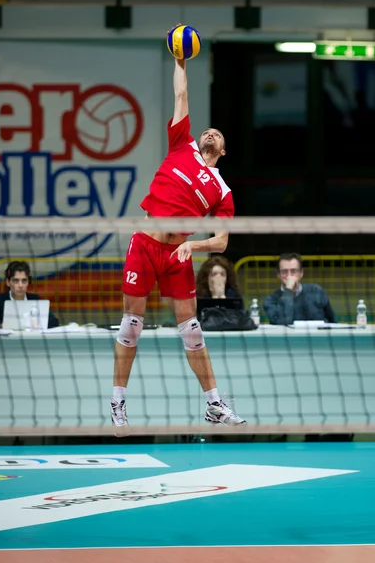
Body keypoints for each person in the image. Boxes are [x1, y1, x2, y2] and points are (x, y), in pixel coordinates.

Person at [110, 49, 246, 429]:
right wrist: (181, 61)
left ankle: (214, 405)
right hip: (145, 244)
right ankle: (118, 402)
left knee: (192, 330)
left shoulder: (221, 189)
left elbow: (220, 241)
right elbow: (181, 95)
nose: (209, 133)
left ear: (222, 150)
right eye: (208, 130)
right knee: (130, 326)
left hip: (178, 253)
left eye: (216, 135)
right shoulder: (181, 144)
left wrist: (193, 245)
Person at [0, 260, 60, 329]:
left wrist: (38, 324)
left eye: (24, 281)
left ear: (28, 282)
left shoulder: (35, 299)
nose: (20, 285)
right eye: (16, 281)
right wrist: (2, 324)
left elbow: (54, 322)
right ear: (8, 282)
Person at [263, 253, 337, 326]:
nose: (289, 276)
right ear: (279, 275)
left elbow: (332, 320)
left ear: (301, 273)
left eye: (294, 271)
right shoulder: (270, 300)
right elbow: (283, 323)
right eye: (284, 272)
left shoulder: (316, 291)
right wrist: (288, 291)